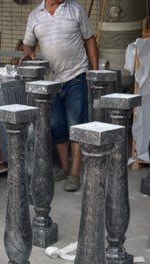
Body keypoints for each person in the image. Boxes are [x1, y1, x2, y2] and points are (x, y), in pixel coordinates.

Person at [22, 0, 99, 192]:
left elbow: (89, 39)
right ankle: (65, 168)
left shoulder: (76, 9)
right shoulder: (35, 15)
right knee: (57, 125)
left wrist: (95, 71)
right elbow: (28, 45)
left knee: (76, 125)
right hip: (50, 81)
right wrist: (30, 54)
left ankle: (74, 174)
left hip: (76, 75)